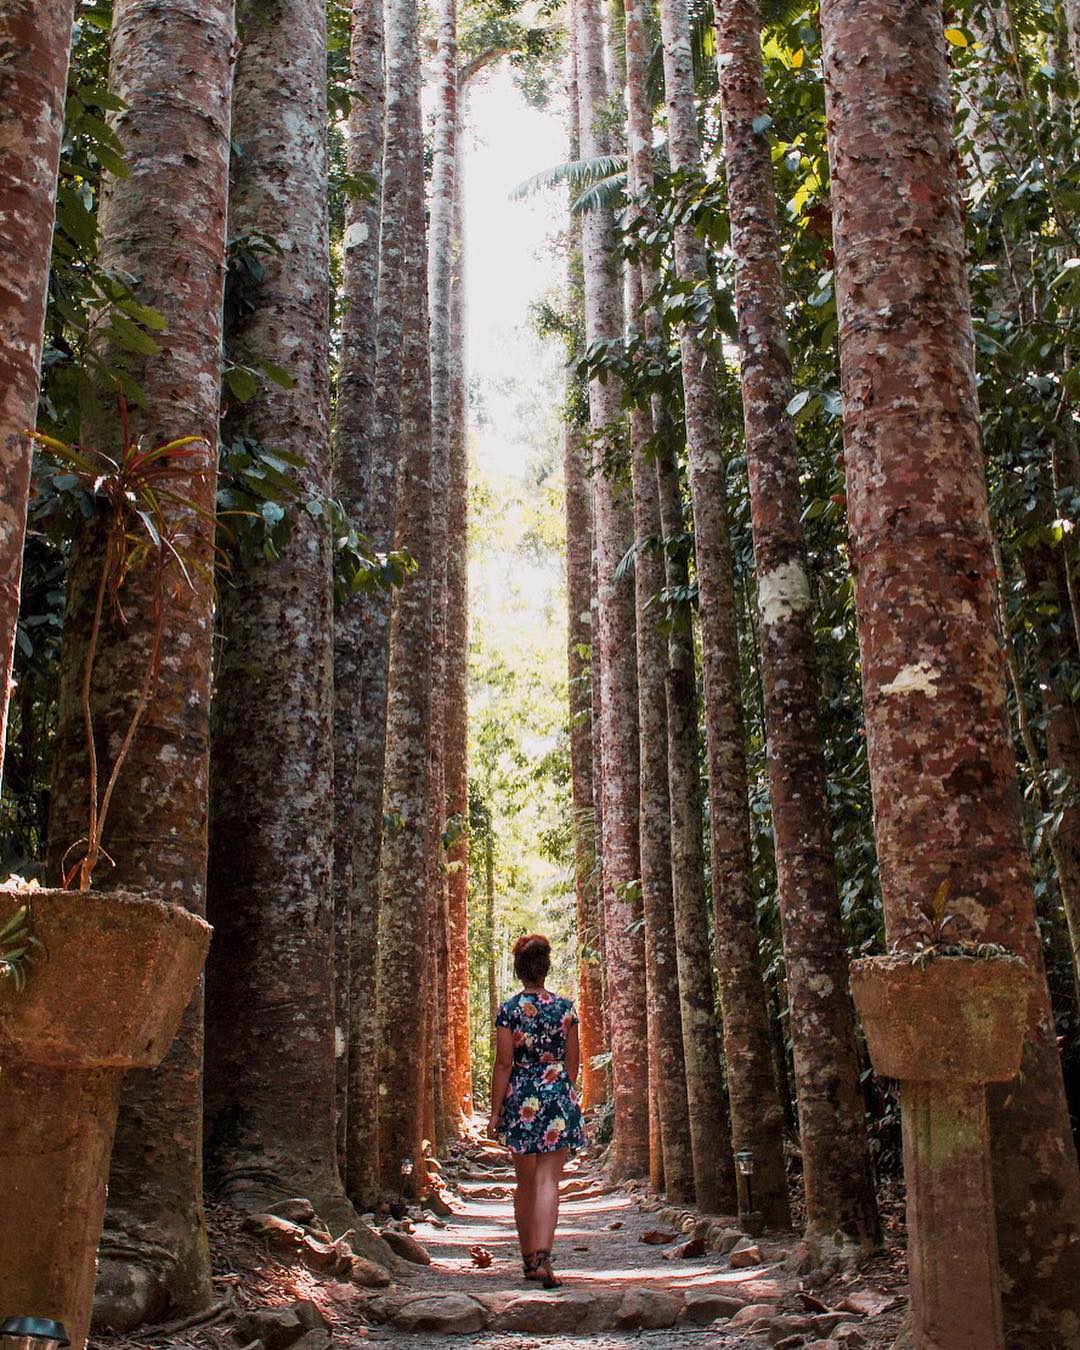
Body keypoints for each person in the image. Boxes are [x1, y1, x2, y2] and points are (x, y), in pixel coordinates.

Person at [487, 933, 587, 1289]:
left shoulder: (509, 1010)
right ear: (545, 968)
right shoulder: (565, 1009)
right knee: (548, 1181)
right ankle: (544, 1256)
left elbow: (503, 1064)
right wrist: (561, 1093)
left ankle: (529, 1260)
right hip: (556, 1096)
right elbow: (572, 1065)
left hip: (520, 1099)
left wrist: (496, 1112)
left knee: (524, 1182)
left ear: (519, 971)